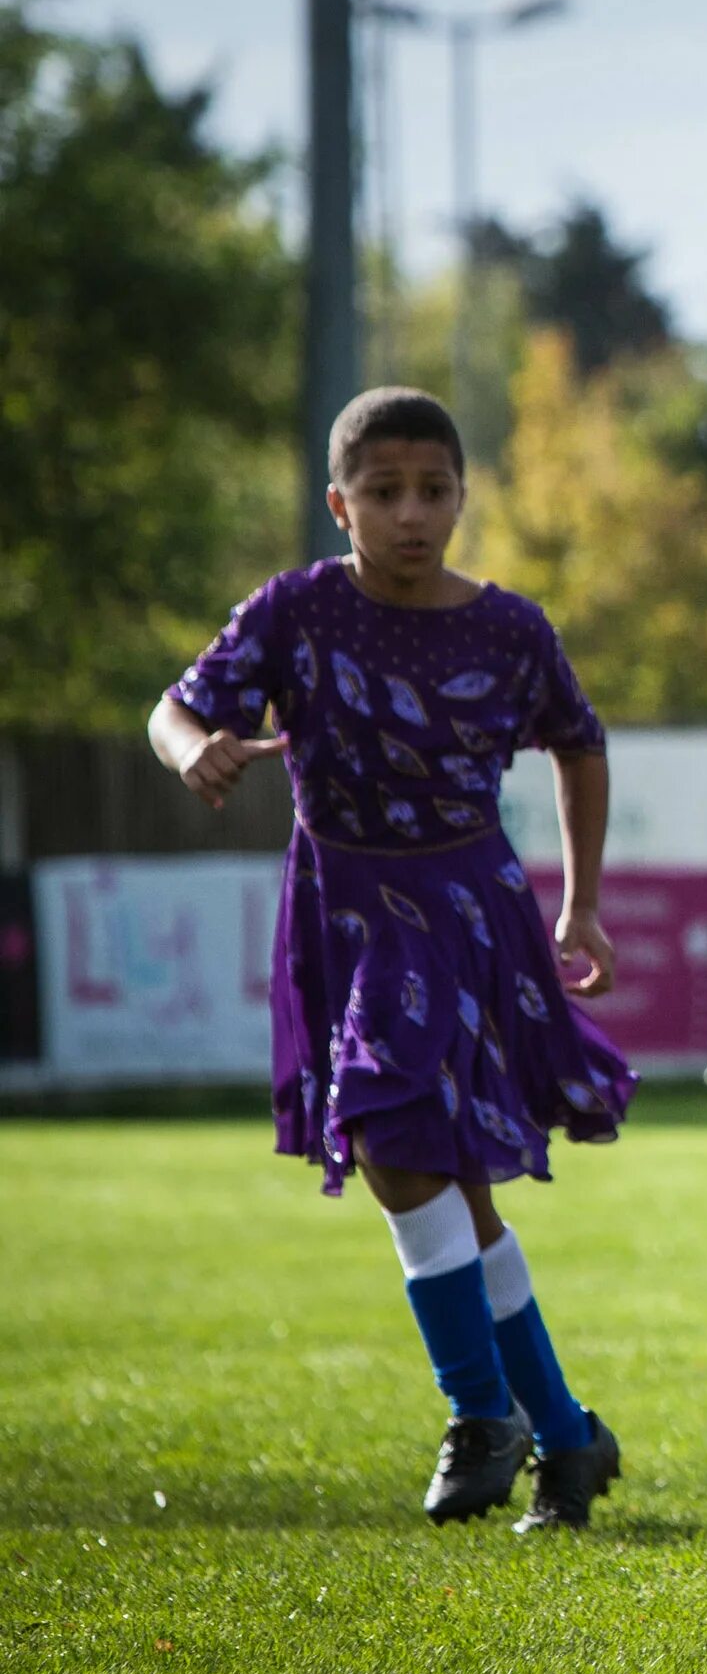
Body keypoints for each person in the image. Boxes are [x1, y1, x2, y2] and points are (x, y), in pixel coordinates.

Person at [149, 387, 634, 1531]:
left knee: (382, 1130)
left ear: (464, 496)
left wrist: (586, 904)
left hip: (466, 907)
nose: (412, 513)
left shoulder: (510, 627)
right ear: (340, 503)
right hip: (342, 904)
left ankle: (482, 1411)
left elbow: (580, 742)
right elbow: (173, 709)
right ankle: (566, 1437)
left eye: (434, 490)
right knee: (449, 1178)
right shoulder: (295, 610)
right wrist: (192, 752)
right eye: (384, 492)